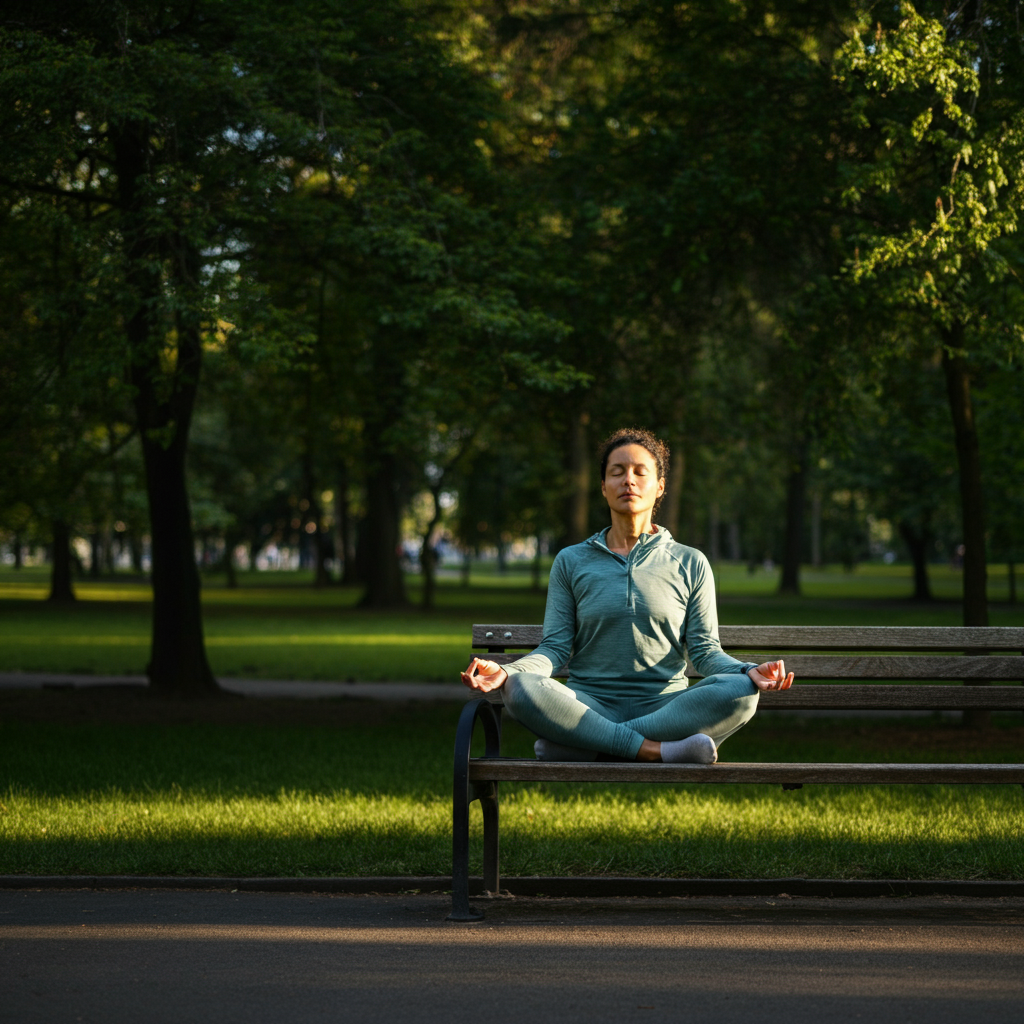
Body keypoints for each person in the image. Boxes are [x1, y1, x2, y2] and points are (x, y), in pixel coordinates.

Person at [460, 427, 794, 764]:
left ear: (660, 486)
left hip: (666, 707)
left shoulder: (691, 562)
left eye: (639, 472)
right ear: (603, 487)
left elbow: (706, 652)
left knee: (741, 692)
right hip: (587, 703)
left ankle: (585, 742)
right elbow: (555, 648)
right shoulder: (570, 561)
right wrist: (508, 671)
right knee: (520, 688)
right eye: (616, 472)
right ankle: (656, 751)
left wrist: (748, 671)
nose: (628, 481)